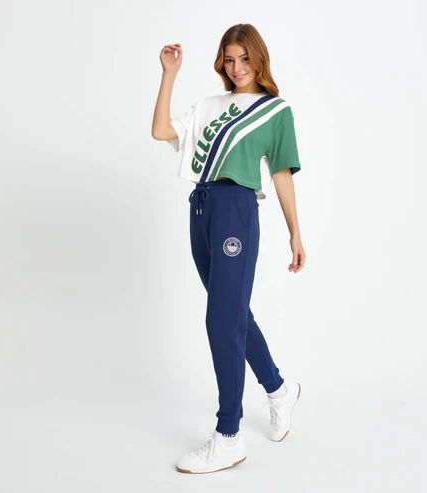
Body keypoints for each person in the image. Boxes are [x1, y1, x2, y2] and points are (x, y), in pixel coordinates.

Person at [151, 23, 306, 474]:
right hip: (201, 208)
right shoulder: (210, 106)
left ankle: (229, 436)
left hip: (236, 209)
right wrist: (169, 74)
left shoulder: (275, 111)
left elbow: (281, 173)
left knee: (221, 318)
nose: (237, 68)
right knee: (233, 312)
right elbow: (161, 131)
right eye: (230, 60)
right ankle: (279, 390)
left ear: (259, 58)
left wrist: (295, 232)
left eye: (245, 59)